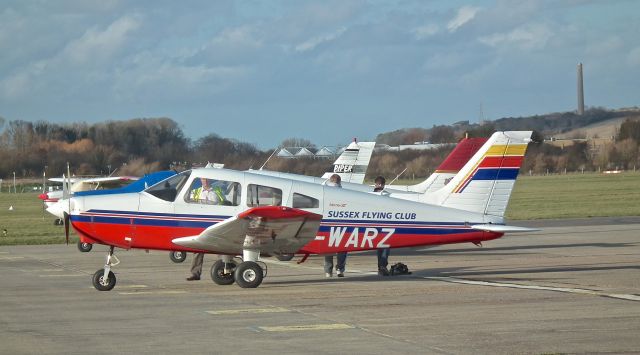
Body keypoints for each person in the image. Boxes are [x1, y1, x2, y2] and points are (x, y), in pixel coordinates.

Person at [324, 174, 348, 277]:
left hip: (328, 223)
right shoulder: (343, 192)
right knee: (342, 248)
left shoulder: (324, 191)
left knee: (328, 247)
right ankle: (340, 269)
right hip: (341, 223)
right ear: (339, 182)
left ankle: (328, 271)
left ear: (330, 181)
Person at [374, 176, 391, 276]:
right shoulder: (386, 195)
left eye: (380, 184)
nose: (379, 186)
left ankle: (381, 266)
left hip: (381, 226)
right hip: (382, 225)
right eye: (379, 184)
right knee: (384, 248)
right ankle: (382, 266)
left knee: (382, 248)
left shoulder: (370, 195)